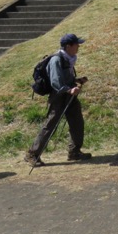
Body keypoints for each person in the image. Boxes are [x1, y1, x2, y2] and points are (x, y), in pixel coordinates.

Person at [25, 33, 91, 166]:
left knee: (77, 122)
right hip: (59, 96)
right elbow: (56, 82)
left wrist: (77, 81)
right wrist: (69, 89)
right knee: (50, 125)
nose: (79, 46)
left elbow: (65, 78)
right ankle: (32, 154)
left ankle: (74, 152)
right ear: (68, 46)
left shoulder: (68, 58)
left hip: (69, 95)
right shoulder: (56, 60)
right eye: (76, 44)